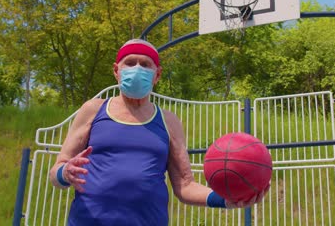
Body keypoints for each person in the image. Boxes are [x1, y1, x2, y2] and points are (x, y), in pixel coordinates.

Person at [49, 39, 270, 225]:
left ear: (157, 74)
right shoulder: (94, 109)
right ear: (117, 70)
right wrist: (65, 172)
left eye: (145, 64)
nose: (137, 69)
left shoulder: (169, 121)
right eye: (130, 63)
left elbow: (185, 186)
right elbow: (55, 173)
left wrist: (225, 200)